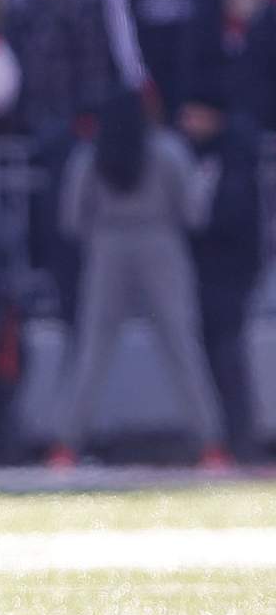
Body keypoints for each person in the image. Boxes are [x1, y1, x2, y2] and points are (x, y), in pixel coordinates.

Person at [49, 90, 229, 468]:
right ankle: (211, 444)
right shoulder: (168, 151)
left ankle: (65, 445)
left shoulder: (91, 155)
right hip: (161, 246)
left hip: (106, 247)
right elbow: (194, 214)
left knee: (92, 350)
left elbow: (71, 218)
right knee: (182, 346)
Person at [175, 85, 265, 462]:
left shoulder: (233, 158)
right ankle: (224, 438)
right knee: (212, 356)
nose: (186, 124)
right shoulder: (193, 155)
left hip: (229, 270)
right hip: (206, 269)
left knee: (228, 355)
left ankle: (241, 437)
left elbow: (231, 215)